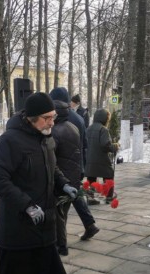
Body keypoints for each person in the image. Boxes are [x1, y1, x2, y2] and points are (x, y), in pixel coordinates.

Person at [0, 92, 84, 274]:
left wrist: (64, 185)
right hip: (17, 219)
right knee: (12, 266)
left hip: (44, 216)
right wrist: (26, 205)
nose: (52, 122)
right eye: (46, 118)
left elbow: (53, 169)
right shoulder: (10, 140)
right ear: (31, 118)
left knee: (47, 265)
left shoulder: (47, 138)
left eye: (53, 117)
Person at [49, 87, 99, 242]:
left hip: (60, 167)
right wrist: (82, 166)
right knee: (74, 194)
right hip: (77, 164)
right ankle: (89, 224)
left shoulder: (56, 117)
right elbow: (84, 144)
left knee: (61, 205)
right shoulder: (78, 118)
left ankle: (59, 241)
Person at [85, 109, 117, 204]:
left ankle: (90, 198)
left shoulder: (88, 129)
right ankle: (108, 197)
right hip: (101, 159)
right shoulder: (103, 130)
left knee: (91, 178)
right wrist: (114, 147)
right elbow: (105, 145)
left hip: (90, 159)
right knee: (108, 176)